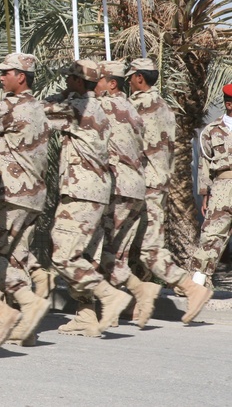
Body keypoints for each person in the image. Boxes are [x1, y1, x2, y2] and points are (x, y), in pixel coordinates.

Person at [44, 59, 131, 338]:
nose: (65, 84)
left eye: (70, 80)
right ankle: (85, 315)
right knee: (85, 255)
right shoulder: (97, 106)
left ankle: (108, 295)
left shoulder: (78, 108)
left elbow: (40, 113)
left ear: (80, 83)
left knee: (62, 253)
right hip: (94, 190)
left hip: (81, 190)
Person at [127, 58, 212, 324]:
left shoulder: (139, 105)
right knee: (137, 245)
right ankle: (143, 298)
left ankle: (191, 288)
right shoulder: (164, 106)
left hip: (146, 185)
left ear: (140, 78)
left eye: (130, 77)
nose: (128, 82)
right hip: (157, 183)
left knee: (149, 248)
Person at [0, 53, 51, 347]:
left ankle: (29, 304)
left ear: (22, 77)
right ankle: (27, 329)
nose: (1, 77)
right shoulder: (38, 107)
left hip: (12, 194)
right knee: (16, 257)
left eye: (6, 73)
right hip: (33, 195)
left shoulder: (9, 108)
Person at [95, 61, 151, 327]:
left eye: (99, 79)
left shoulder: (106, 105)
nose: (95, 84)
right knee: (120, 252)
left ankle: (129, 299)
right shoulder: (131, 107)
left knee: (105, 249)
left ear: (111, 83)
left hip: (118, 187)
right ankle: (129, 308)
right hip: (136, 186)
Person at [187, 83, 232, 296]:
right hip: (223, 187)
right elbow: (204, 163)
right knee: (211, 235)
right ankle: (198, 285)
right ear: (227, 103)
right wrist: (205, 193)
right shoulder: (212, 130)